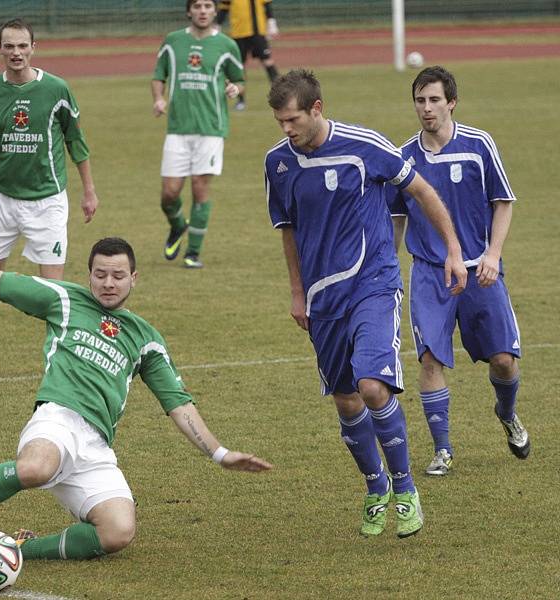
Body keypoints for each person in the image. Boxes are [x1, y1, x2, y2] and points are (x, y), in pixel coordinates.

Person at [0, 238, 272, 559]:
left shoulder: (146, 339)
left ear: (134, 278)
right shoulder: (64, 300)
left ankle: (18, 550)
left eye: (118, 275)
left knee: (118, 532)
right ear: (89, 276)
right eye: (100, 274)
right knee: (35, 468)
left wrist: (220, 454)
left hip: (96, 446)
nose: (108, 283)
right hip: (57, 419)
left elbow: (178, 404)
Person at [264, 69, 467, 538]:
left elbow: (420, 191)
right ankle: (375, 486)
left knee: (373, 386)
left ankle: (406, 488)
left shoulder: (365, 145)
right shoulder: (278, 162)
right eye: (279, 121)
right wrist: (297, 292)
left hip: (374, 283)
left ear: (316, 109)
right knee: (346, 398)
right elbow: (288, 231)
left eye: (292, 119)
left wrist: (453, 250)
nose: (286, 129)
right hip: (322, 297)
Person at [387, 66, 530, 477]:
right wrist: (389, 268)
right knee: (430, 359)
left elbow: (503, 201)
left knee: (503, 361)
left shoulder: (478, 144)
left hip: (480, 271)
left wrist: (492, 254)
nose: (426, 108)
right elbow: (396, 218)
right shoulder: (404, 158)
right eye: (420, 100)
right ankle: (443, 450)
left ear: (451, 102)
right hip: (430, 274)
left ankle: (508, 414)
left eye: (434, 100)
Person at [0, 18, 99, 380]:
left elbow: (76, 142)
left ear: (34, 48)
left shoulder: (57, 90)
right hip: (1, 199)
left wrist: (88, 191)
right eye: (9, 46)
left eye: (22, 46)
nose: (16, 53)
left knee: (54, 290)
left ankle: (59, 365)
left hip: (47, 202)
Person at [152, 0, 245, 269]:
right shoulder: (172, 41)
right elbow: (159, 76)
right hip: (178, 128)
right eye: (197, 6)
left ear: (215, 11)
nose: (202, 11)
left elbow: (238, 79)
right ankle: (178, 225)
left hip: (211, 128)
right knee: (169, 194)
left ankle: (193, 253)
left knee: (199, 187)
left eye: (207, 6)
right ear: (188, 11)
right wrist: (159, 99)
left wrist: (235, 90)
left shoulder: (227, 45)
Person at [216, 0, 280, 111]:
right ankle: (241, 100)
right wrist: (217, 25)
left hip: (257, 32)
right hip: (238, 32)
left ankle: (282, 95)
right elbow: (224, 8)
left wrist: (271, 22)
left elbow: (267, 5)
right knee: (239, 67)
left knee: (267, 61)